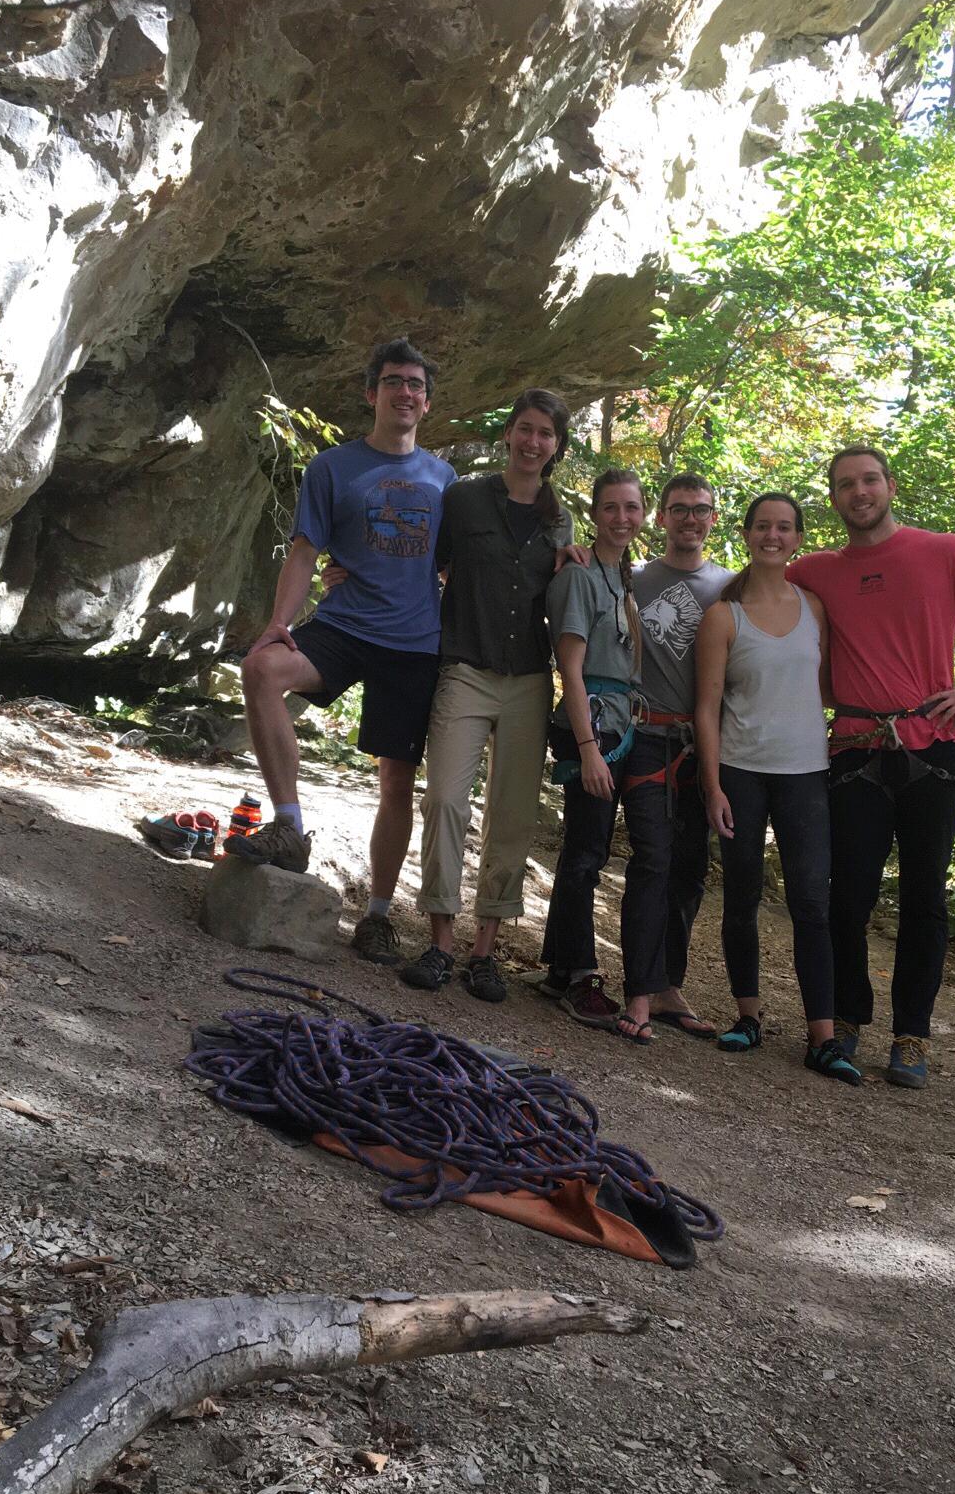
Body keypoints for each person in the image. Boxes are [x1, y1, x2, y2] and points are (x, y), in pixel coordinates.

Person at [787, 446, 955, 1089]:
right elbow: (744, 597)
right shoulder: (813, 571)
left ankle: (912, 1035)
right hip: (853, 748)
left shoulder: (947, 553)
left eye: (869, 480)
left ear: (890, 486)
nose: (859, 492)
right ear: (834, 499)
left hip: (934, 746)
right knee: (847, 892)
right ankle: (848, 1017)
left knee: (924, 895)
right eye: (845, 484)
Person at [225, 337, 456, 968]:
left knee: (396, 782)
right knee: (261, 669)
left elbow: (458, 563)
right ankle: (290, 826)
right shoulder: (333, 467)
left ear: (426, 402)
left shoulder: (444, 478)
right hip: (345, 628)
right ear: (371, 393)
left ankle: (378, 916)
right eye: (392, 381)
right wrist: (279, 622)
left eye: (415, 383)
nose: (404, 392)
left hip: (414, 643)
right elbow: (305, 550)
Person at [397, 390, 577, 1001]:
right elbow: (422, 564)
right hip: (465, 665)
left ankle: (484, 952)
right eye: (525, 429)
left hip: (529, 676)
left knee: (513, 816)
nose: (533, 443)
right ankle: (441, 942)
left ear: (557, 446)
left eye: (546, 435)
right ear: (509, 434)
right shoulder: (464, 497)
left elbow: (570, 595)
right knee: (445, 798)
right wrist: (344, 572)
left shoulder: (560, 520)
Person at [695, 493, 861, 1083]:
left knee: (811, 903)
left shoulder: (814, 608)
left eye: (784, 527)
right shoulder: (724, 615)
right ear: (746, 534)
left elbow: (822, 686)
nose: (773, 535)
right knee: (741, 896)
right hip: (741, 770)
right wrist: (713, 786)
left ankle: (823, 1037)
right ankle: (748, 1017)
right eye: (763, 525)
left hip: (806, 773)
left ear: (797, 539)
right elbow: (707, 706)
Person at [615, 474, 731, 1043]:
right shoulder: (630, 578)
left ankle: (667, 986)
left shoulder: (733, 588)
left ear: (713, 519)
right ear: (660, 518)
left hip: (705, 747)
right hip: (645, 738)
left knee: (689, 872)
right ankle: (637, 991)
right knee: (652, 861)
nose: (690, 519)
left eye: (700, 510)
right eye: (679, 509)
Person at [539, 469, 645, 1029]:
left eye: (631, 507)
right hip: (593, 725)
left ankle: (560, 968)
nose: (621, 518)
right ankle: (579, 975)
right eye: (610, 508)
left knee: (588, 848)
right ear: (596, 512)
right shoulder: (580, 578)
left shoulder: (618, 575)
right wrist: (588, 747)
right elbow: (571, 670)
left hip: (616, 721)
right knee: (585, 852)